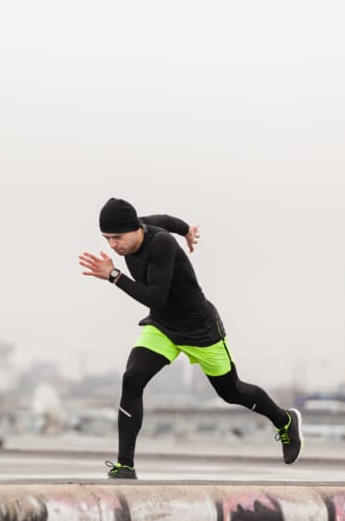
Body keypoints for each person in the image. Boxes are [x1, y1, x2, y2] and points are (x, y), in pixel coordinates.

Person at [78, 197, 303, 480]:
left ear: (134, 228)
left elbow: (156, 297)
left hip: (200, 329)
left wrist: (114, 275)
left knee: (231, 391)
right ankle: (125, 465)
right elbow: (167, 219)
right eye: (106, 238)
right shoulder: (143, 226)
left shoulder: (160, 244)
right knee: (132, 378)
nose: (112, 245)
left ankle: (285, 420)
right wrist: (187, 230)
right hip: (162, 327)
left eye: (116, 237)